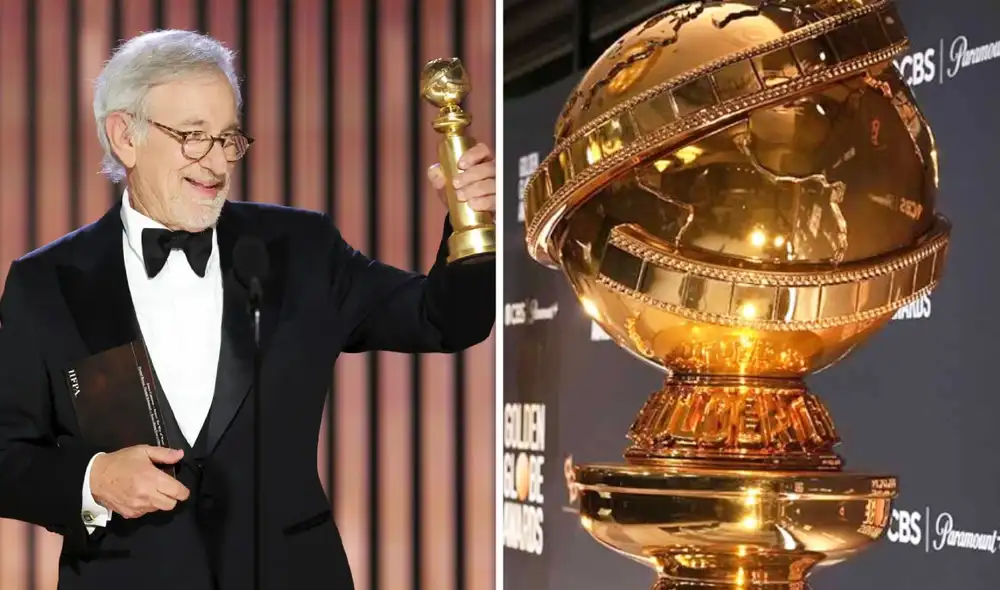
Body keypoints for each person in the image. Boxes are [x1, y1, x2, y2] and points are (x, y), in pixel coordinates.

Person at [0, 30, 495, 590]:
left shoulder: (301, 247)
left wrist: (471, 229)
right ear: (125, 137)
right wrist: (94, 479)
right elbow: (6, 455)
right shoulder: (45, 284)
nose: (216, 163)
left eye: (228, 138)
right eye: (193, 137)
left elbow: (443, 318)